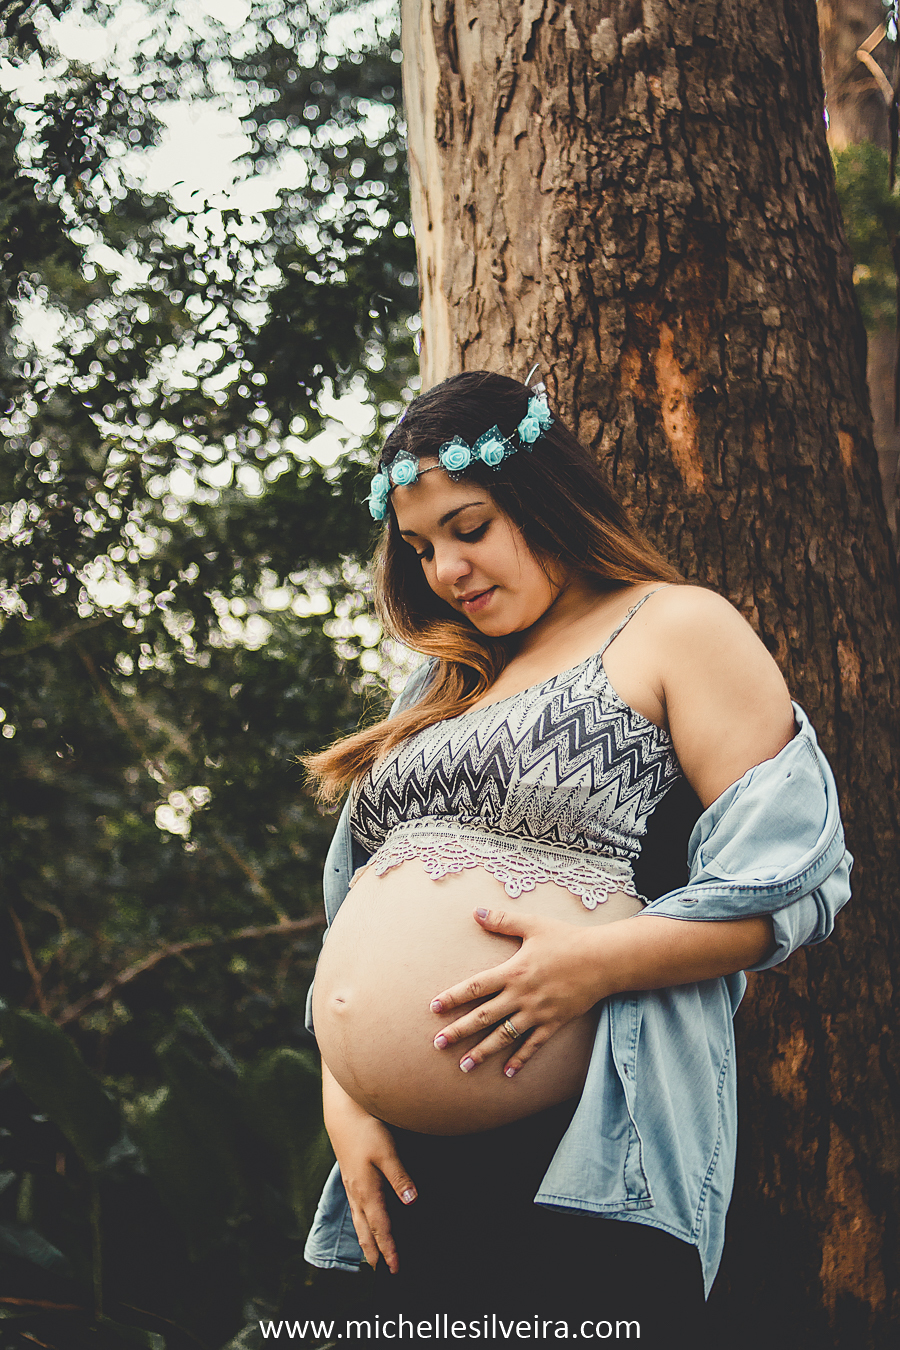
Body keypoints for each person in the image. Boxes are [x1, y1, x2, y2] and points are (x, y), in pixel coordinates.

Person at [301, 371, 851, 1345]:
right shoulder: (442, 679)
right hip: (396, 1163)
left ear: (544, 495)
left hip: (574, 1152)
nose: (448, 569)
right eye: (423, 548)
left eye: (470, 528)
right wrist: (346, 1093)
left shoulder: (675, 626)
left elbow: (796, 884)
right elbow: (356, 909)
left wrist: (590, 964)